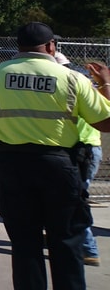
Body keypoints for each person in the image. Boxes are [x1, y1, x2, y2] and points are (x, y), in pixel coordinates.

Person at [0, 22, 110, 290]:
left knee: (25, 243)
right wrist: (106, 84)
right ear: (50, 47)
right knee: (66, 240)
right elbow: (105, 123)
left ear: (19, 46)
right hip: (59, 167)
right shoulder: (72, 78)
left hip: (13, 167)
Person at [58, 51, 106, 267]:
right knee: (63, 198)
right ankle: (57, 235)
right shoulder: (81, 84)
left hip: (83, 149)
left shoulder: (75, 86)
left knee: (74, 200)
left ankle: (88, 249)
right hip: (80, 148)